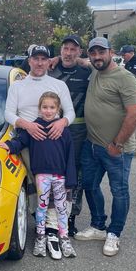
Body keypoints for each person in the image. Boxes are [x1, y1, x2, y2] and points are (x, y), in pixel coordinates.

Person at [4, 44, 75, 259]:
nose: (40, 63)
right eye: (36, 58)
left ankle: (55, 229)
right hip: (28, 140)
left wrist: (62, 122)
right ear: (29, 60)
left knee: (58, 186)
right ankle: (40, 228)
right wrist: (27, 125)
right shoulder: (17, 86)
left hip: (53, 140)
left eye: (44, 59)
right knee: (37, 187)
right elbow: (8, 112)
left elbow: (70, 112)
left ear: (48, 61)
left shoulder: (58, 85)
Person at [74, 37, 136, 257]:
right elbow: (82, 62)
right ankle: (98, 226)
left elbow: (135, 113)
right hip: (91, 145)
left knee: (119, 191)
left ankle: (114, 233)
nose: (96, 57)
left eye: (101, 52)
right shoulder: (95, 70)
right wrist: (56, 58)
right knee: (90, 185)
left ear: (111, 52)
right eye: (93, 53)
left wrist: (117, 143)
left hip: (116, 149)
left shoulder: (125, 78)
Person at [48, 34, 91, 237]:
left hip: (78, 132)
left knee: (74, 176)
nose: (69, 53)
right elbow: (25, 68)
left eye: (73, 49)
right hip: (51, 130)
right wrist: (51, 59)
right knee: (52, 173)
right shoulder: (51, 69)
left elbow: (108, 67)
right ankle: (50, 218)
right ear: (60, 50)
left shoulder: (86, 72)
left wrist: (84, 61)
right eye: (65, 48)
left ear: (79, 52)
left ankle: (70, 217)